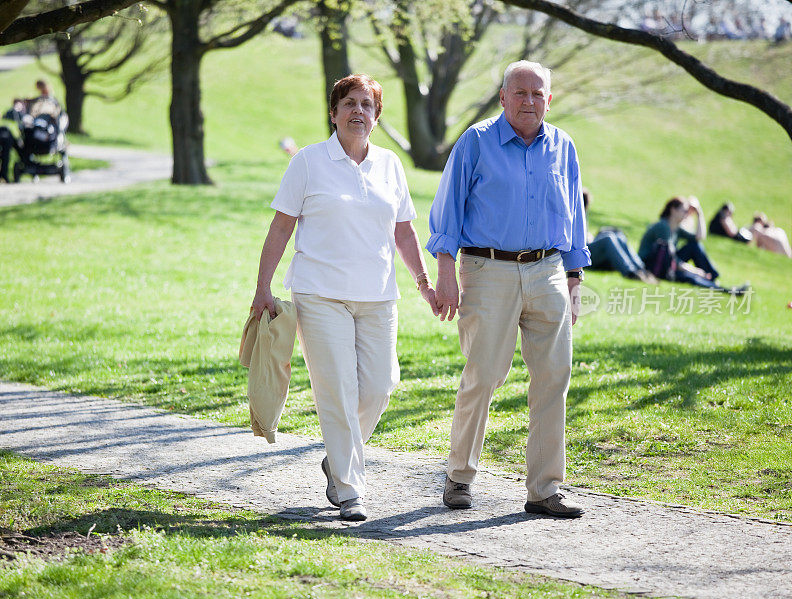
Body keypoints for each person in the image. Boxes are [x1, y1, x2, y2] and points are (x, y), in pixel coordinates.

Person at [250, 74, 438, 522]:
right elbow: (281, 227)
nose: (358, 111)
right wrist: (263, 288)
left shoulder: (391, 164)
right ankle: (351, 490)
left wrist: (424, 283)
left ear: (376, 116)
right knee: (336, 391)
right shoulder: (308, 163)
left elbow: (404, 230)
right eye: (349, 103)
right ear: (333, 113)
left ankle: (336, 461)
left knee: (379, 386)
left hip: (378, 296)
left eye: (367, 105)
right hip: (320, 294)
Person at [427, 60, 589, 519]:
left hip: (549, 271)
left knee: (554, 376)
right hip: (486, 269)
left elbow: (574, 215)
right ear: (502, 97)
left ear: (549, 100)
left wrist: (575, 278)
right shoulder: (476, 142)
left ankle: (544, 489)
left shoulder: (563, 146)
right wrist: (444, 274)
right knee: (485, 373)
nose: (529, 101)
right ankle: (459, 474)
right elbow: (448, 210)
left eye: (538, 94)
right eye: (520, 93)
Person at [638, 196, 745, 291]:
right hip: (652, 265)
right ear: (673, 210)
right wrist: (694, 270)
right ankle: (724, 289)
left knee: (694, 246)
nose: (687, 214)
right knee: (689, 276)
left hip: (666, 262)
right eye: (684, 211)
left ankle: (711, 277)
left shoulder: (677, 228)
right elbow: (669, 257)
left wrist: (699, 214)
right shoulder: (663, 227)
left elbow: (699, 237)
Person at [583, 189, 657, 283]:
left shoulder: (583, 214)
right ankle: (630, 272)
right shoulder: (572, 214)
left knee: (618, 234)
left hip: (587, 248)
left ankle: (641, 269)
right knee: (608, 238)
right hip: (582, 255)